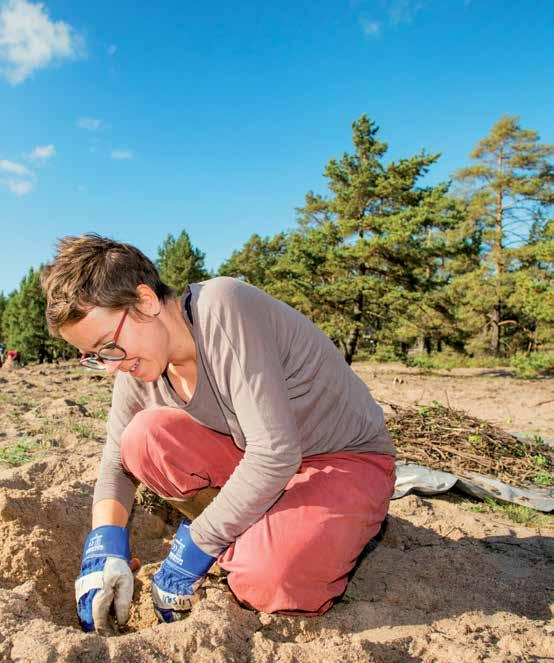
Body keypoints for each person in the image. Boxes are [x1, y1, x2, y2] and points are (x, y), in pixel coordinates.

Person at [41, 233, 396, 633]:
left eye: (108, 347)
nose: (109, 367)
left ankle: (257, 541)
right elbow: (115, 462)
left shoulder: (223, 307)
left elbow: (275, 453)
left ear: (145, 301)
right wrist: (103, 547)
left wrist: (195, 548)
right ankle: (252, 534)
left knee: (268, 579)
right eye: (96, 356)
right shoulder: (139, 362)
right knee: (142, 438)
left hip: (341, 460)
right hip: (260, 464)